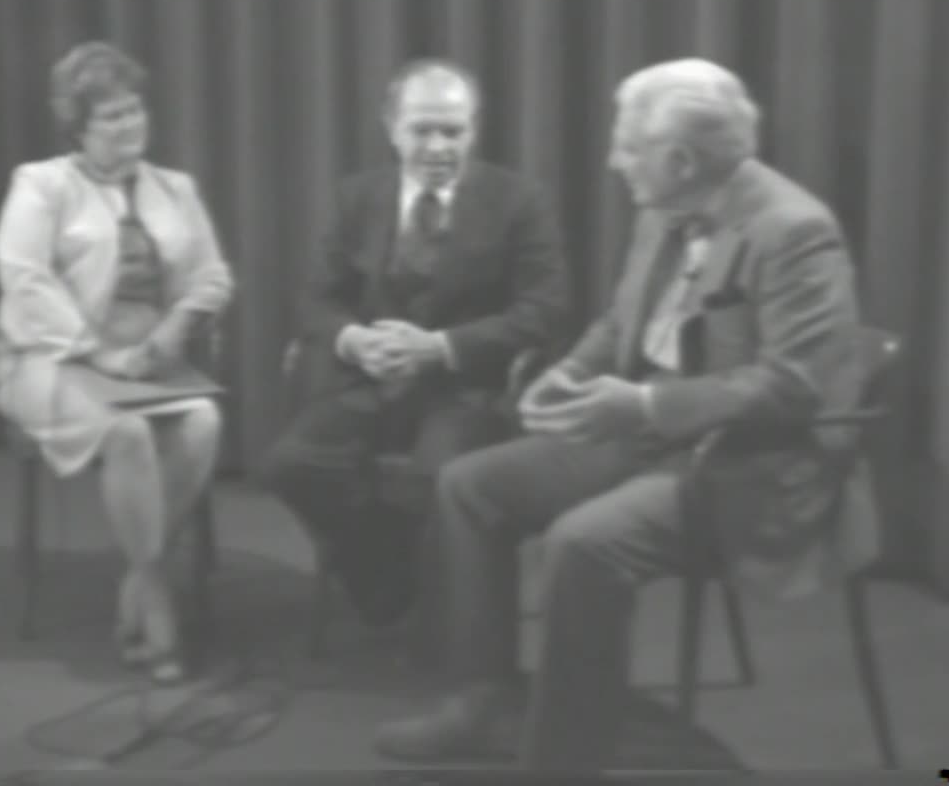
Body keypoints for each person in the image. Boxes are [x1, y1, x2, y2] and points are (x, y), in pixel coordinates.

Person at [375, 58, 876, 769]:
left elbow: (794, 387)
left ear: (681, 160)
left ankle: (563, 761)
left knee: (583, 543)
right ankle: (483, 702)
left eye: (628, 148)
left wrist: (646, 403)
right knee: (468, 485)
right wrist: (569, 374)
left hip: (750, 463)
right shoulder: (661, 209)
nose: (614, 162)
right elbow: (620, 323)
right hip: (651, 437)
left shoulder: (795, 231)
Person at [260, 59, 570, 635]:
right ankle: (391, 580)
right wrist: (353, 340)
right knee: (291, 467)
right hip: (369, 381)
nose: (437, 147)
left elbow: (543, 312)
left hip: (465, 389)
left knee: (437, 481)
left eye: (453, 131)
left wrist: (440, 346)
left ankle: (439, 611)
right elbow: (315, 299)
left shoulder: (518, 201)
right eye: (422, 130)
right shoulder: (357, 198)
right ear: (391, 128)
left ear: (474, 129)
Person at [0, 41, 234, 684]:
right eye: (112, 116)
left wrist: (177, 326)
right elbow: (24, 278)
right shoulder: (41, 184)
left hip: (144, 362)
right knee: (126, 434)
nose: (131, 125)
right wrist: (99, 353)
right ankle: (155, 599)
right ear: (79, 127)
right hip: (47, 358)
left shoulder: (175, 188)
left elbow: (213, 275)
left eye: (135, 110)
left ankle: (136, 580)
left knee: (203, 421)